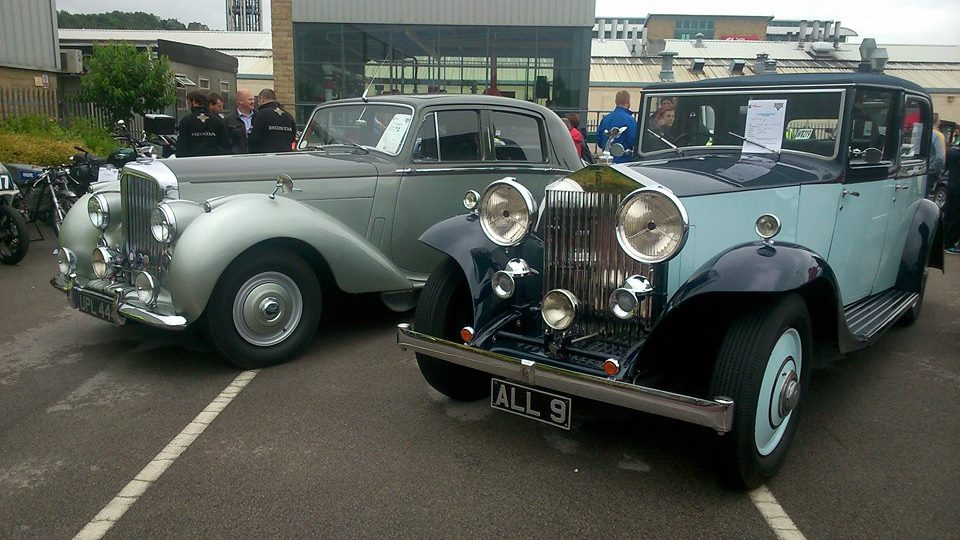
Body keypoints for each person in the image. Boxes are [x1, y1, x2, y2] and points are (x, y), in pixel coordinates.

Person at [176, 90, 228, 157]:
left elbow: (181, 146)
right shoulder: (218, 120)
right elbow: (225, 144)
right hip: (214, 161)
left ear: (194, 102)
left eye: (189, 103)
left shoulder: (186, 121)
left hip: (192, 162)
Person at [248, 88, 297, 153]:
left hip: (266, 158)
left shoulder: (260, 115)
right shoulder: (288, 116)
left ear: (261, 99)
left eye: (258, 101)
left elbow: (253, 138)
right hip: (285, 157)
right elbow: (292, 138)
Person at [596, 90, 637, 163]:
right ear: (628, 102)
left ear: (615, 101)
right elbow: (633, 142)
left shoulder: (605, 119)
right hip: (623, 162)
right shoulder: (630, 120)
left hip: (606, 161)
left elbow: (599, 141)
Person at [223, 88, 255, 154]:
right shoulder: (228, 120)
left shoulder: (259, 117)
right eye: (250, 99)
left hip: (257, 158)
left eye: (253, 99)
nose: (253, 102)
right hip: (237, 158)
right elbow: (225, 141)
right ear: (240, 101)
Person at [943, 144, 960, 254]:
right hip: (958, 189)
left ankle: (946, 241)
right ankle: (949, 244)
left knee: (950, 215)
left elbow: (946, 166)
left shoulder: (952, 153)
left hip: (952, 187)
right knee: (955, 217)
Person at [928, 113, 946, 195]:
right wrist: (938, 172)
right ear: (937, 122)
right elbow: (940, 157)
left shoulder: (923, 131)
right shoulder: (939, 135)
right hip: (931, 172)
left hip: (919, 170)